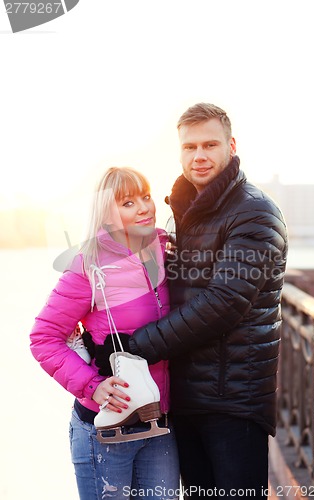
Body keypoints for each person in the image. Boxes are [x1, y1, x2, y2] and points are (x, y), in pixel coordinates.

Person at [128, 103, 288, 499]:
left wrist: (132, 348)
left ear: (231, 146)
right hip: (186, 396)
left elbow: (223, 303)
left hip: (233, 401)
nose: (199, 156)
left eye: (210, 145)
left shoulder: (254, 212)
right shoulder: (182, 212)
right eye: (190, 147)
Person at [30, 167, 179, 500]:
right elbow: (44, 337)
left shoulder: (163, 250)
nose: (144, 207)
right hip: (106, 429)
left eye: (146, 196)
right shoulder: (88, 265)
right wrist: (92, 387)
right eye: (128, 202)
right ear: (107, 215)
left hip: (160, 424)